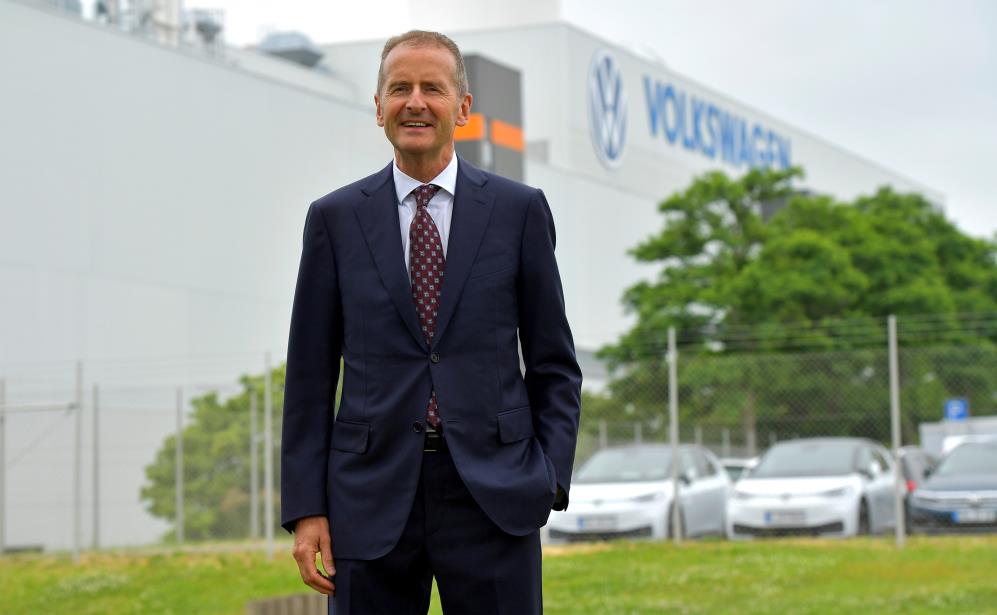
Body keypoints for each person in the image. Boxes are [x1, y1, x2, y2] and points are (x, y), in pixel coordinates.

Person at [280, 30, 581, 614]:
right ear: (378, 107)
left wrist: (549, 478)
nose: (414, 101)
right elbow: (310, 378)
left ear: (462, 108)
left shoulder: (519, 212)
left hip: (495, 494)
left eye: (432, 89)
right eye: (399, 88)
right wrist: (307, 508)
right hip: (367, 498)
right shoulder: (335, 219)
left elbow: (554, 362)